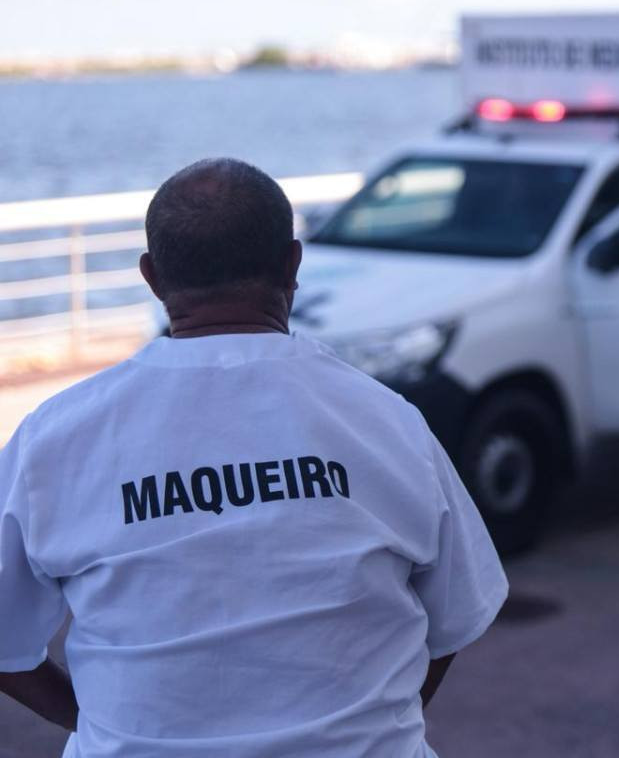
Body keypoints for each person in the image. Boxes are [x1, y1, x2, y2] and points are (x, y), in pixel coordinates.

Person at [0, 158, 508, 757]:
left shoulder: (56, 439)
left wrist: (97, 724)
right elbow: (455, 617)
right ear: (293, 265)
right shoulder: (388, 420)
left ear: (151, 277)